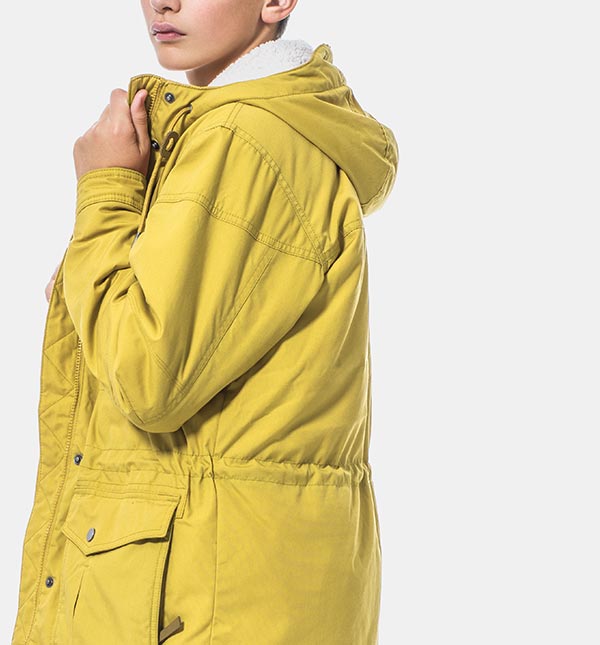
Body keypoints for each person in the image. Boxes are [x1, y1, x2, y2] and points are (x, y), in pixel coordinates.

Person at [12, 0, 398, 643]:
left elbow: (147, 375)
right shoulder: (246, 134)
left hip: (203, 599)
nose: (162, 3)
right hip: (230, 582)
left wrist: (106, 193)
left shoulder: (245, 138)